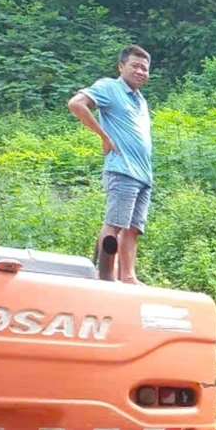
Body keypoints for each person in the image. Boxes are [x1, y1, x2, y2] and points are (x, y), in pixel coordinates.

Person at [67, 45, 153, 284]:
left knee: (133, 228)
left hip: (143, 173)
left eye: (144, 68)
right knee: (115, 223)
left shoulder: (140, 99)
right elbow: (76, 104)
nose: (140, 71)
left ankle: (127, 276)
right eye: (135, 66)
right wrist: (103, 136)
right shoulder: (109, 87)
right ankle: (105, 278)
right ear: (121, 66)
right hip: (122, 168)